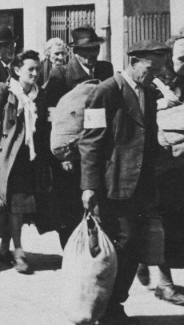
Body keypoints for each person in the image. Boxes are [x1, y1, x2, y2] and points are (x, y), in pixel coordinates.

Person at [78, 40, 170, 322]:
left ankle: (116, 302)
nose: (154, 75)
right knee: (122, 243)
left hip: (142, 184)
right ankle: (107, 307)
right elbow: (90, 142)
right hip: (114, 184)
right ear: (134, 62)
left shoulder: (148, 92)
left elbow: (149, 135)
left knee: (136, 244)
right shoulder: (106, 91)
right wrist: (89, 186)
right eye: (150, 69)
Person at [0, 50, 51, 274]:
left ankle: (4, 248)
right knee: (15, 206)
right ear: (17, 70)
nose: (35, 73)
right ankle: (18, 251)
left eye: (37, 69)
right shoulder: (3, 91)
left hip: (30, 159)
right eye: (30, 69)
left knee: (17, 207)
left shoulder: (39, 95)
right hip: (7, 160)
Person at [44, 25, 114, 248]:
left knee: (99, 199)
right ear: (74, 52)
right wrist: (62, 155)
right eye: (86, 50)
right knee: (71, 205)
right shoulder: (61, 75)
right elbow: (52, 117)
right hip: (71, 153)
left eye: (94, 48)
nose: (92, 54)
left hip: (99, 146)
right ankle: (72, 252)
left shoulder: (105, 70)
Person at [135, 37, 184, 306]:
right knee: (162, 221)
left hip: (181, 166)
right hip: (161, 166)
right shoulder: (154, 86)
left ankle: (148, 262)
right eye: (180, 58)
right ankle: (164, 282)